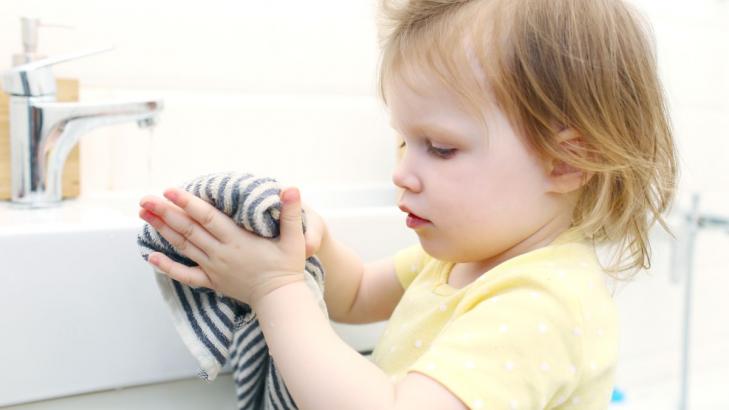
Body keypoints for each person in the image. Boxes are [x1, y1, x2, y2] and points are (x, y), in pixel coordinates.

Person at [138, 0, 678, 408]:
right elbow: (353, 296)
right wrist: (310, 247)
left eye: (440, 148)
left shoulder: (543, 299)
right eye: (402, 141)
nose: (401, 172)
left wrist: (274, 290)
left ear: (564, 162)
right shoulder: (463, 259)